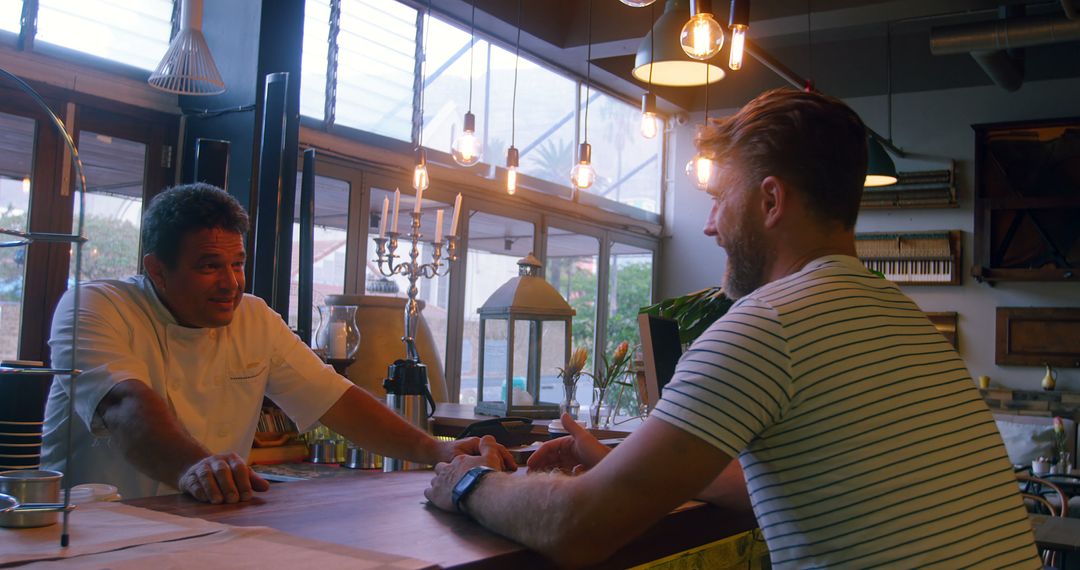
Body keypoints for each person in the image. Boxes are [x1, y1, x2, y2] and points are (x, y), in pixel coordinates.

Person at [425, 89, 1039, 568]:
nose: (710, 224)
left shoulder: (769, 323)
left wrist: (467, 480)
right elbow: (797, 485)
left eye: (719, 197)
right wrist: (617, 461)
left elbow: (577, 529)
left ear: (770, 201)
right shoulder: (900, 319)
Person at [42, 183, 514, 503]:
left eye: (237, 263)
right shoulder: (94, 305)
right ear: (157, 270)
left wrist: (437, 450)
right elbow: (126, 407)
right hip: (97, 530)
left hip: (204, 526)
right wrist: (196, 469)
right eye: (209, 266)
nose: (230, 282)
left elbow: (337, 400)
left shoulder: (254, 318)